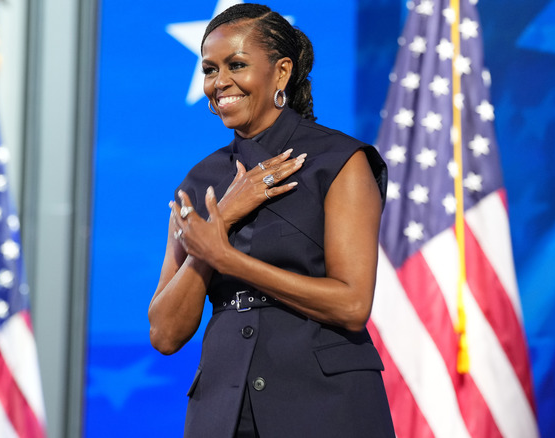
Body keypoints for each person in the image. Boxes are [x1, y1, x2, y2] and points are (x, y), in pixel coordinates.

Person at [148, 4, 395, 437]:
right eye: (209, 69)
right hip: (224, 411)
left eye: (236, 65)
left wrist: (227, 257)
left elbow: (352, 306)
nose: (218, 82)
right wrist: (221, 219)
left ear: (281, 73)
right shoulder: (200, 182)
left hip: (326, 406)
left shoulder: (339, 162)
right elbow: (166, 334)